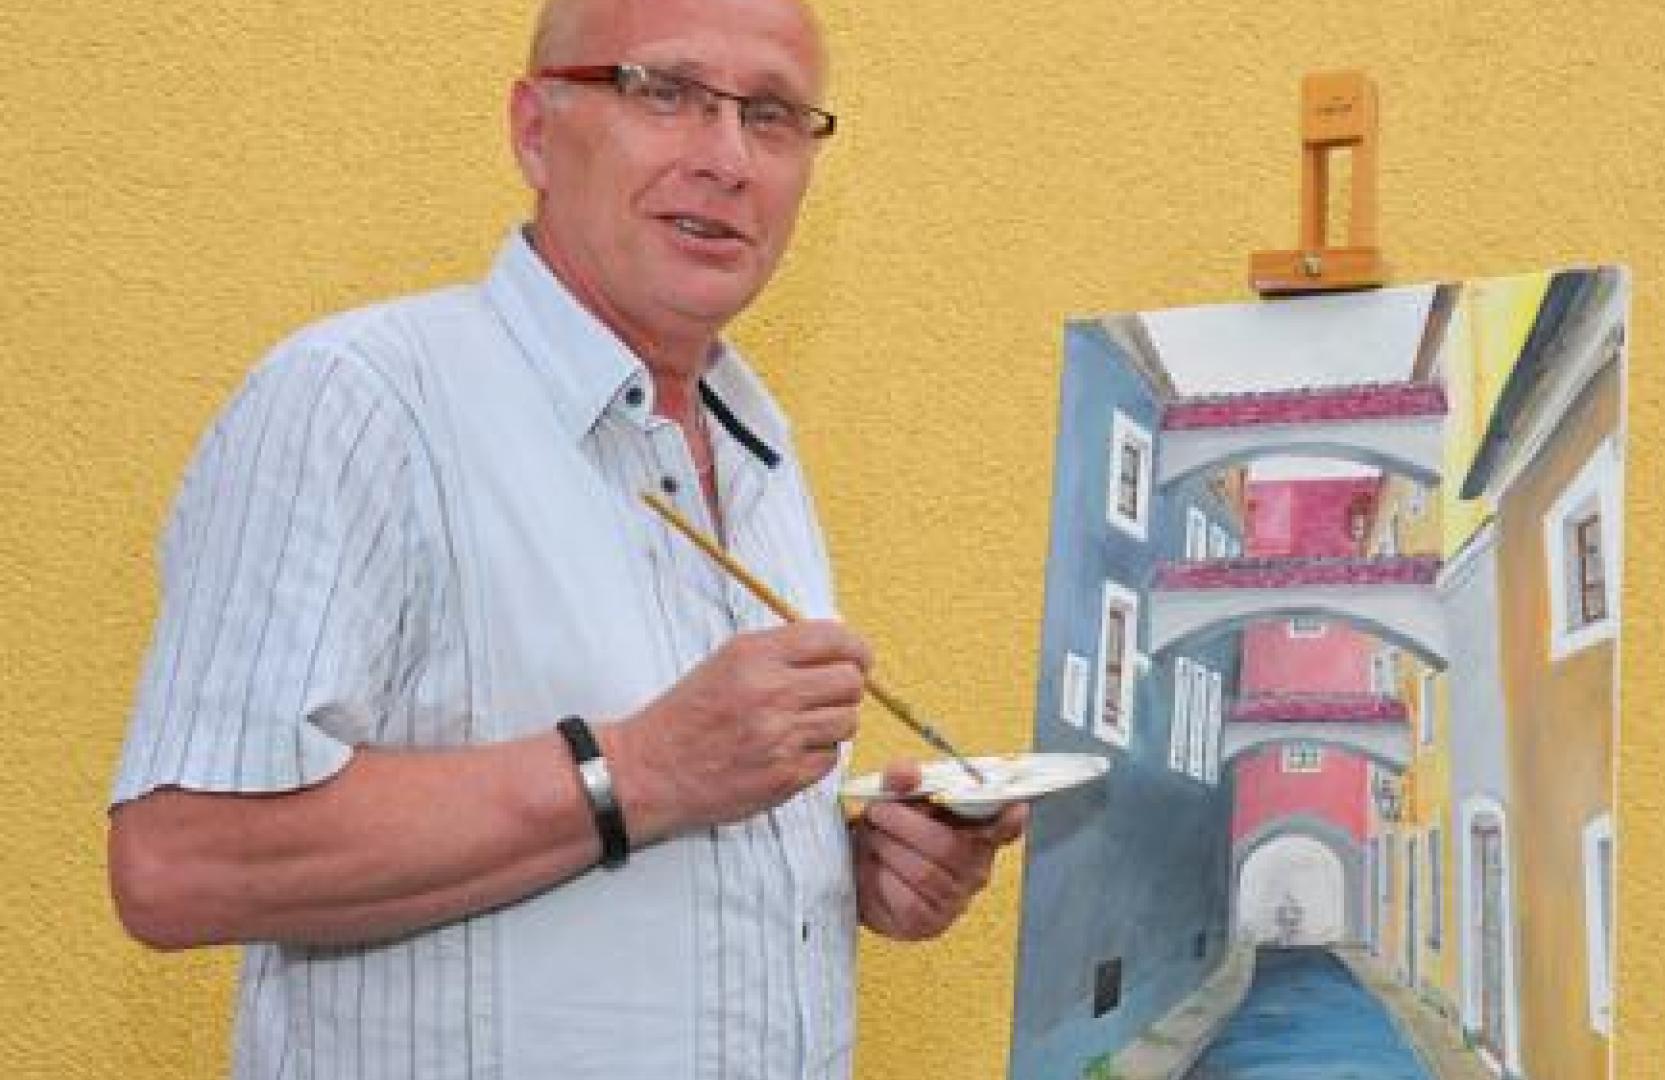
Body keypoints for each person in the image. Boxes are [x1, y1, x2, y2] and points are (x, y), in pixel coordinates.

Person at [106, 0, 1025, 1076]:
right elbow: (179, 862)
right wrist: (638, 769)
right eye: (666, 93)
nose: (727, 159)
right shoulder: (360, 402)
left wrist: (847, 868)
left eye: (772, 114)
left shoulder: (758, 450)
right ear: (534, 130)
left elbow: (666, 840)